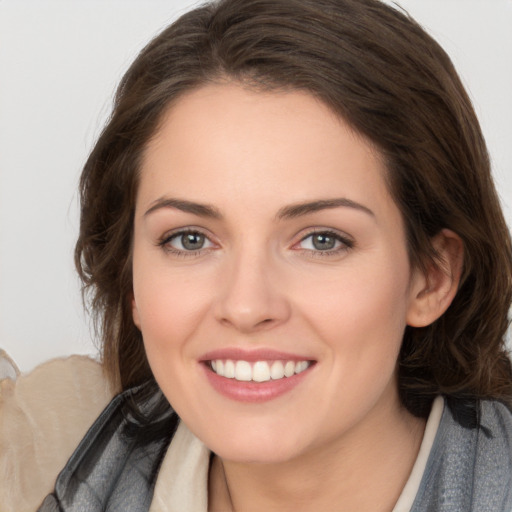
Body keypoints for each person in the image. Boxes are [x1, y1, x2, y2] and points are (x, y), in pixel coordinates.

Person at [38, 0, 512, 510]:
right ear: (131, 279)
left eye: (322, 240)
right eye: (190, 239)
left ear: (431, 277)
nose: (246, 306)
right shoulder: (44, 461)